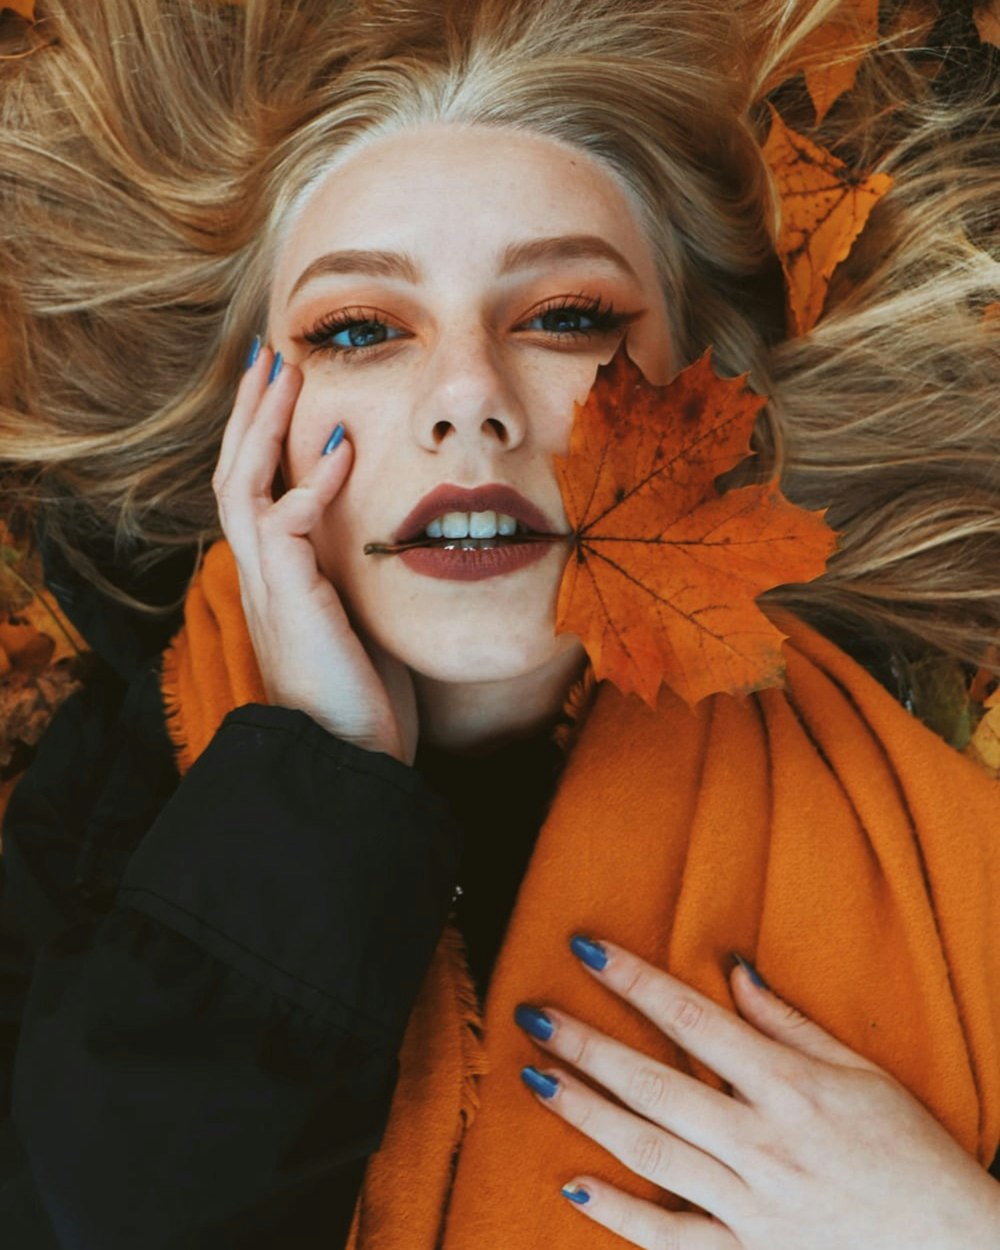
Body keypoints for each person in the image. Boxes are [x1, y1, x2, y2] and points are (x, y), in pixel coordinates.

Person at [0, 0, 999, 1247]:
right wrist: (315, 780)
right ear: (247, 427)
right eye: (358, 329)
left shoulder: (943, 795)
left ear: (706, 394)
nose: (468, 398)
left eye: (566, 317)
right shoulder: (108, 809)